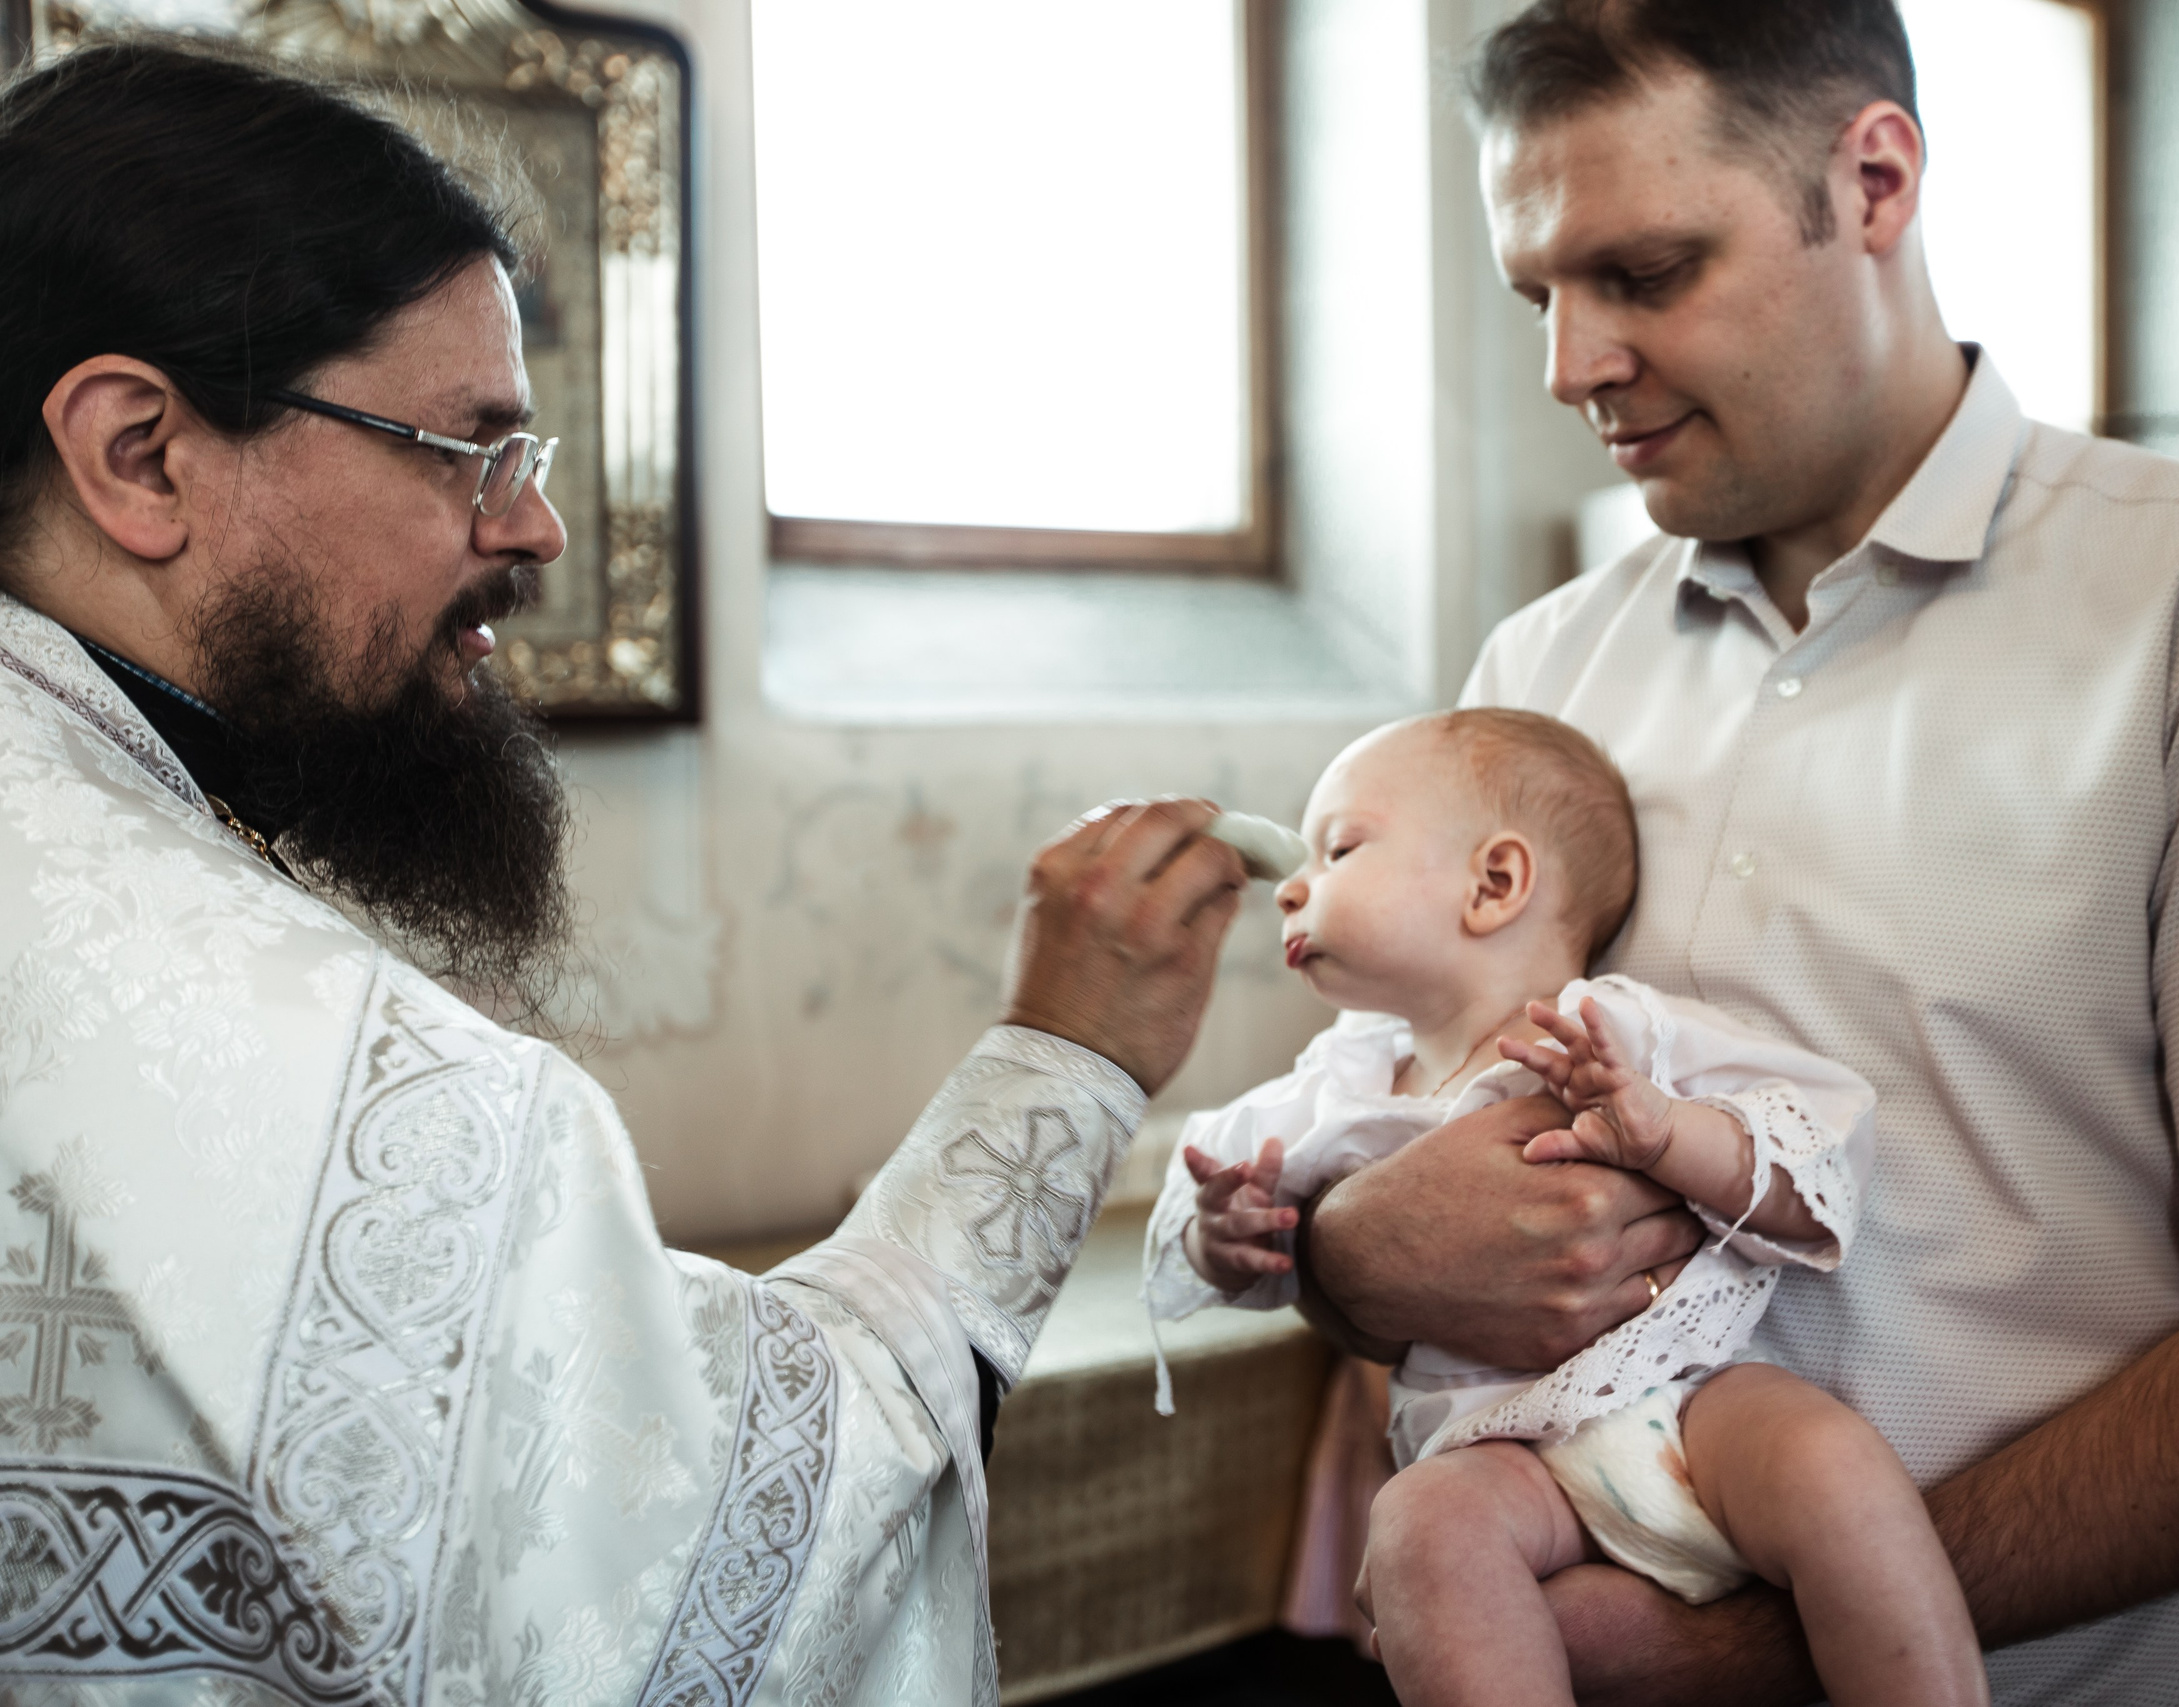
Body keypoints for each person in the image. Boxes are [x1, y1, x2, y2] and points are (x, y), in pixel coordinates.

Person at [1284, 5, 2179, 1705]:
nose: (1570, 365)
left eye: (1646, 273)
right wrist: (1346, 1254)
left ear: (1872, 180)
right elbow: (1415, 1164)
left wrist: (1740, 1649)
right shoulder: (1538, 675)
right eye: (1540, 295)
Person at [0, 39, 1245, 1703]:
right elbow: (720, 1594)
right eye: (467, 448)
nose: (536, 531)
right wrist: (1064, 1060)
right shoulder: (325, 1068)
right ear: (141, 453)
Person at [1143, 710, 1985, 1707]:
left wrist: (1667, 1131)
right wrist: (1222, 1233)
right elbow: (1208, 1232)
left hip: (1693, 1399)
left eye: (1338, 848)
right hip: (1497, 1452)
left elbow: (1818, 1147)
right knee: (1418, 1529)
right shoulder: (1333, 1088)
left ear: (1493, 883)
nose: (1290, 887)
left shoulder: (1619, 1030)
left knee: (1833, 1466)